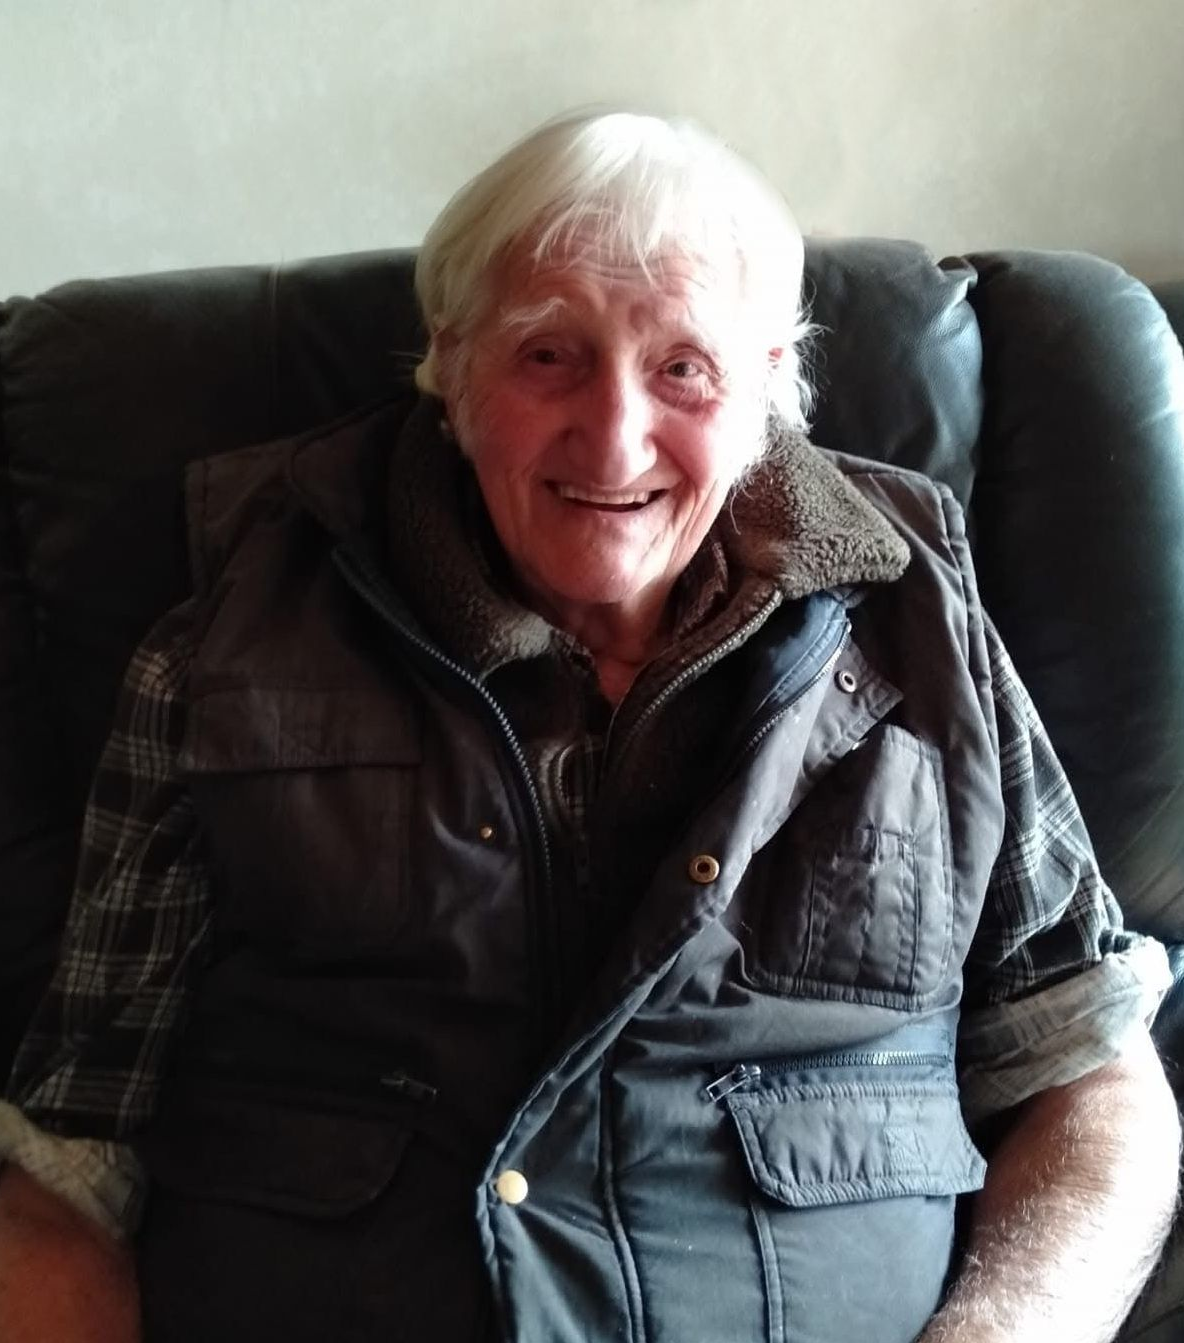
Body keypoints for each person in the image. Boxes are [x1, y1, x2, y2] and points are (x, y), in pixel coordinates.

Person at [0, 110, 1178, 1343]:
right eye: (548, 355)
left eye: (683, 368)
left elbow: (1087, 1064)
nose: (614, 438)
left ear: (768, 385)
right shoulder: (233, 644)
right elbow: (75, 1155)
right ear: (451, 368)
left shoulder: (920, 626)